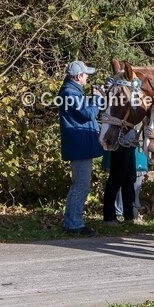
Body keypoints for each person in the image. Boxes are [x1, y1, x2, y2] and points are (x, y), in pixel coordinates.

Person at [59, 60, 105, 235]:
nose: (87, 77)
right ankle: (73, 224)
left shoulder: (73, 92)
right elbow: (88, 113)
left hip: (81, 144)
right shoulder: (69, 93)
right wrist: (97, 98)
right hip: (79, 145)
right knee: (81, 186)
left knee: (81, 185)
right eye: (86, 75)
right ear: (79, 76)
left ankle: (73, 222)